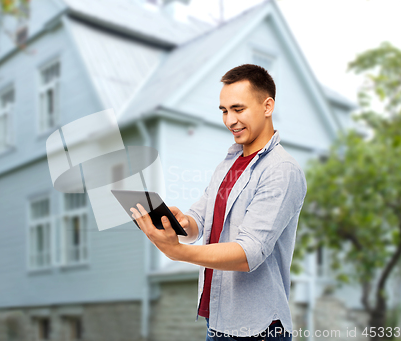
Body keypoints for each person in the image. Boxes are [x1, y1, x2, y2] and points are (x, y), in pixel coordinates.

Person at [130, 64, 307, 340]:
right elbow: (198, 222)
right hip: (217, 323)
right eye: (224, 111)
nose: (229, 120)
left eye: (238, 109)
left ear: (267, 106)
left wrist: (176, 252)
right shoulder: (228, 165)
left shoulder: (281, 170)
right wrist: (178, 223)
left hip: (258, 330)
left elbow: (249, 253)